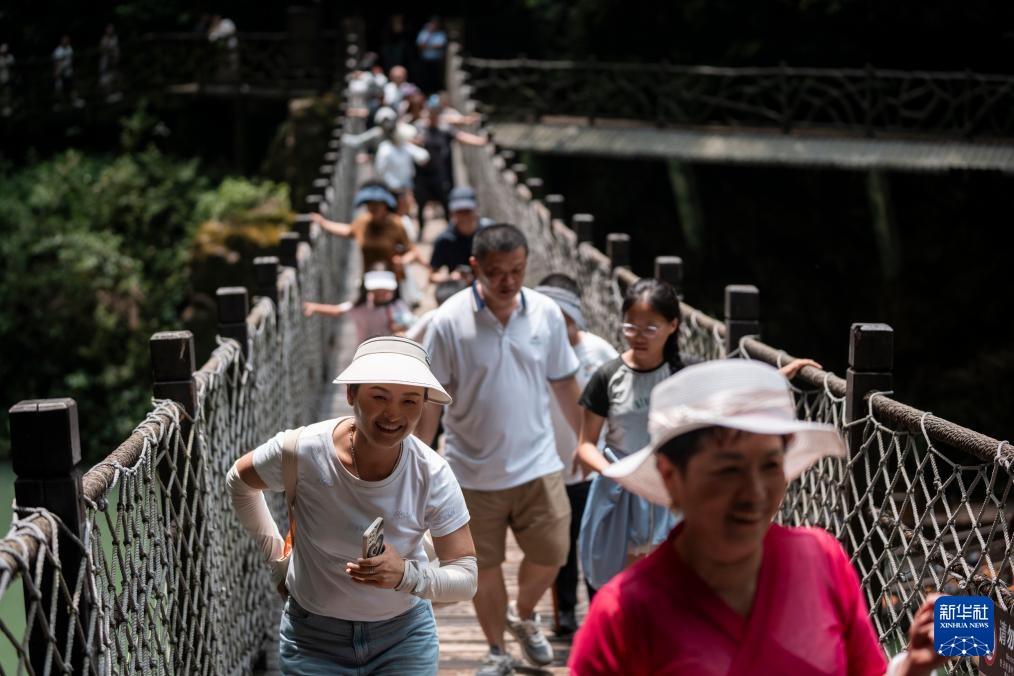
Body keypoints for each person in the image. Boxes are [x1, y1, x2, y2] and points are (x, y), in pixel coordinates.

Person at [569, 359, 947, 676]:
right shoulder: (622, 616)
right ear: (671, 476)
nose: (754, 493)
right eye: (728, 471)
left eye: (769, 465)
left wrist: (912, 666)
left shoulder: (822, 560)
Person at [228, 336, 477, 674]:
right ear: (350, 394)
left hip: (403, 639)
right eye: (379, 396)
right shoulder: (302, 451)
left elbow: (466, 576)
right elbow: (239, 481)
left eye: (410, 401)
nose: (394, 413)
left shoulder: (432, 472)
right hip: (312, 640)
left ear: (423, 405)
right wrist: (275, 560)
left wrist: (407, 576)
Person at [416, 223, 584, 675]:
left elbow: (565, 382)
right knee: (482, 567)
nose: (508, 281)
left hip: (538, 464)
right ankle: (496, 651)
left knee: (553, 553)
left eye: (517, 270)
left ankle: (523, 616)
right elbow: (431, 398)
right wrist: (418, 457)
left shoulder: (546, 313)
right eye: (496, 272)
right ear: (475, 268)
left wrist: (585, 440)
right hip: (470, 472)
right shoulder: (448, 321)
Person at [574, 278, 686, 590]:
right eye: (631, 326)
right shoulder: (608, 376)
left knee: (670, 580)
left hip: (669, 486)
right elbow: (585, 445)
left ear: (672, 326)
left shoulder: (683, 374)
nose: (638, 336)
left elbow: (725, 399)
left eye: (650, 328)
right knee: (622, 581)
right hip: (620, 487)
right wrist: (615, 472)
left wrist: (776, 375)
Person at [535, 274, 618, 637]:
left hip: (593, 466)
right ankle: (565, 612)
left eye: (564, 320)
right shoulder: (533, 352)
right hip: (547, 467)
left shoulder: (600, 353)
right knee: (560, 546)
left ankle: (600, 612)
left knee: (596, 544)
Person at [309, 181, 424, 283]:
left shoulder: (396, 224)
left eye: (377, 205)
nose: (373, 208)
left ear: (385, 205)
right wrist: (323, 223)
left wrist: (403, 261)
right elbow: (348, 230)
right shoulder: (363, 222)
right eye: (370, 205)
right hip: (369, 279)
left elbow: (413, 251)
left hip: (391, 280)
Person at [304, 270, 415, 342]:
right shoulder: (361, 307)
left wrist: (399, 328)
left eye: (385, 291)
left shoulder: (397, 306)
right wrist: (314, 307)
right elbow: (337, 310)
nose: (383, 295)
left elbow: (410, 323)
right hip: (366, 349)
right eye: (378, 291)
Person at [428, 187, 483, 280]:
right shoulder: (445, 240)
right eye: (459, 212)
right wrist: (450, 278)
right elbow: (432, 275)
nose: (464, 216)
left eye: (467, 211)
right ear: (451, 214)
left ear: (476, 211)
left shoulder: (488, 234)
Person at [415, 16, 447, 93]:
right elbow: (420, 46)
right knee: (424, 78)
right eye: (432, 23)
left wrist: (427, 46)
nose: (434, 25)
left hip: (436, 61)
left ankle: (434, 92)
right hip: (424, 60)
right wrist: (430, 35)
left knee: (435, 78)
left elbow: (440, 46)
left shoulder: (441, 34)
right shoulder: (423, 33)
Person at [52, 35, 75, 104]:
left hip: (68, 72)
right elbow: (55, 63)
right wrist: (56, 72)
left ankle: (72, 101)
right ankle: (59, 103)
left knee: (70, 87)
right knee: (59, 88)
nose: (66, 41)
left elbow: (70, 60)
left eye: (67, 40)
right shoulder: (58, 51)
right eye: (64, 40)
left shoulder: (70, 49)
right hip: (60, 73)